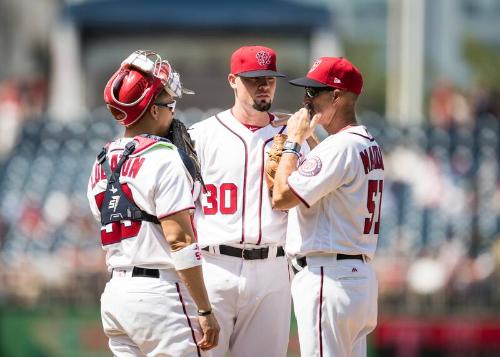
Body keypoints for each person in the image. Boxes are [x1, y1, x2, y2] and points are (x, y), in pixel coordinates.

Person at [87, 50, 219, 356]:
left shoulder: (101, 162)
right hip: (161, 298)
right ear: (154, 111)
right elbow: (180, 241)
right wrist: (204, 310)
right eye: (169, 104)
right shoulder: (163, 157)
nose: (173, 112)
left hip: (116, 295)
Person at [189, 45, 307, 357]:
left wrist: (304, 136)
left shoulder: (292, 140)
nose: (263, 84)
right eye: (253, 79)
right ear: (232, 80)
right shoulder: (200, 136)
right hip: (214, 266)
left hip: (272, 267)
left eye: (269, 78)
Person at [272, 57, 383, 357]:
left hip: (328, 277)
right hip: (357, 279)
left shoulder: (341, 147)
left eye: (313, 93)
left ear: (336, 96)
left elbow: (282, 195)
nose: (305, 101)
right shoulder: (366, 142)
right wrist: (311, 135)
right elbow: (332, 169)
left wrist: (294, 143)